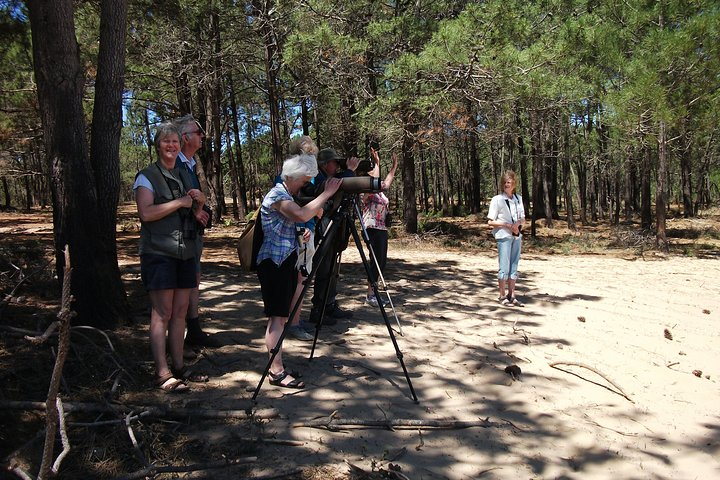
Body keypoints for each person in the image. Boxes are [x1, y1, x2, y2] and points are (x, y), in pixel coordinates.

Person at [133, 122, 208, 393]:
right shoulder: (147, 176)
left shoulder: (183, 173)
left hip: (185, 252)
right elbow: (146, 213)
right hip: (159, 253)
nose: (171, 146)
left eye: (175, 142)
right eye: (166, 142)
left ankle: (179, 365)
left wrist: (199, 203)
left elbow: (193, 207)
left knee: (179, 313)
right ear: (158, 145)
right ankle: (162, 373)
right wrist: (179, 203)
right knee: (162, 313)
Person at [256, 154, 342, 388]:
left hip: (283, 260)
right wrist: (326, 195)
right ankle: (276, 372)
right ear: (293, 176)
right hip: (274, 263)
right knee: (277, 317)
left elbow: (285, 224)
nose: (305, 185)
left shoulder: (286, 195)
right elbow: (302, 214)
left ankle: (278, 365)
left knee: (281, 317)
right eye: (304, 181)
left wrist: (299, 233)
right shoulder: (277, 194)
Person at [173, 115, 220, 349]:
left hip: (192, 234)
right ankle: (180, 340)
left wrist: (202, 210)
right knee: (184, 283)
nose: (202, 135)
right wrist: (195, 211)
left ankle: (193, 329)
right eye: (198, 132)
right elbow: (176, 197)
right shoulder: (176, 164)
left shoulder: (190, 164)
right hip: (179, 236)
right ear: (186, 137)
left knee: (194, 280)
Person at [307, 147, 359, 326]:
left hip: (331, 226)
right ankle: (318, 310)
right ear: (324, 164)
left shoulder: (328, 177)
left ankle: (329, 305)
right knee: (324, 269)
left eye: (339, 163)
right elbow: (339, 183)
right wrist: (350, 170)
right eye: (334, 162)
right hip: (322, 229)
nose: (337, 165)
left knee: (332, 269)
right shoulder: (319, 179)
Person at [284, 136, 319, 341]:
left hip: (308, 229)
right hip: (300, 234)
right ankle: (293, 322)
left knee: (303, 279)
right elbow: (294, 208)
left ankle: (295, 318)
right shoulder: (290, 176)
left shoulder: (304, 176)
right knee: (300, 279)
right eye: (308, 155)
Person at [361, 147, 399, 306]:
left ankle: (373, 293)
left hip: (381, 228)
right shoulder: (365, 190)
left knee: (381, 261)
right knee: (375, 261)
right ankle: (370, 295)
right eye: (370, 172)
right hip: (371, 227)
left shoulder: (380, 190)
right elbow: (373, 184)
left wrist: (394, 165)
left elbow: (388, 180)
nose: (373, 174)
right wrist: (376, 164)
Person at [487, 170, 526, 307]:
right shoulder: (497, 200)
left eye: (509, 182)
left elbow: (523, 219)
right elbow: (490, 222)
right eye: (504, 183)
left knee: (513, 266)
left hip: (516, 236)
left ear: (514, 184)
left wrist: (517, 225)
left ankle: (512, 294)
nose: (506, 185)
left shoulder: (518, 199)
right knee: (504, 266)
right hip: (503, 235)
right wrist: (506, 225)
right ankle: (502, 295)